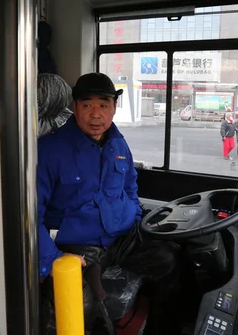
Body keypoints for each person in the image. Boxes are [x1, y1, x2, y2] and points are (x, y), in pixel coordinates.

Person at [37, 72, 180, 334]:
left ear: (114, 107)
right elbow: (30, 216)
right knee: (79, 302)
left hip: (123, 235)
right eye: (87, 105)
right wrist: (53, 259)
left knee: (170, 261)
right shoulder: (48, 150)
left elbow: (130, 185)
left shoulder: (118, 143)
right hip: (80, 242)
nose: (95, 114)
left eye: (104, 105)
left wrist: (135, 216)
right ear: (75, 106)